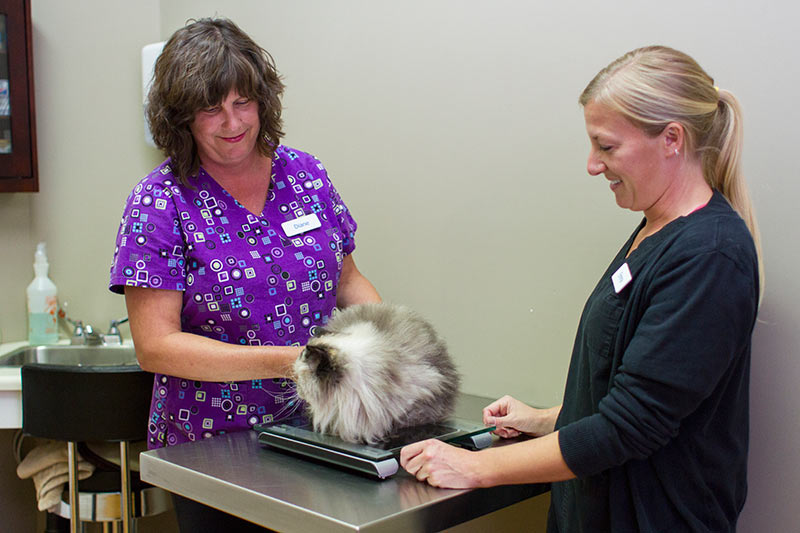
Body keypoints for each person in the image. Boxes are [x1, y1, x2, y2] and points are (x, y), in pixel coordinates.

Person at [401, 45, 761, 532]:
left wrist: (472, 467)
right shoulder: (653, 228)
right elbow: (635, 390)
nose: (593, 165)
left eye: (607, 147)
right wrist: (553, 419)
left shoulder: (710, 257)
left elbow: (632, 427)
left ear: (672, 138)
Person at [108, 18, 380, 531]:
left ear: (264, 101)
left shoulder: (306, 175)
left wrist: (383, 339)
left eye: (242, 102)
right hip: (213, 449)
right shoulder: (160, 202)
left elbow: (347, 280)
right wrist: (291, 363)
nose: (231, 122)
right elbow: (156, 346)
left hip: (319, 430)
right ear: (182, 117)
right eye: (211, 108)